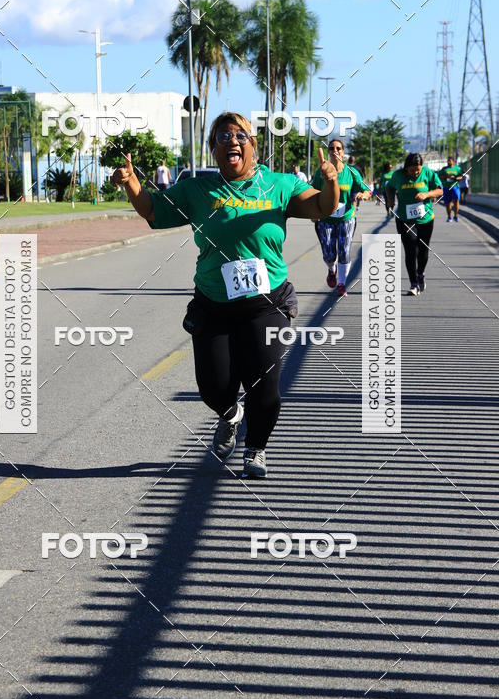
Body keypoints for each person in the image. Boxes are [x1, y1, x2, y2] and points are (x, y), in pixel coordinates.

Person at [111, 111, 340, 479]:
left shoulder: (279, 185)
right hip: (213, 304)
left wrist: (332, 182)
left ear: (253, 144)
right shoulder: (197, 190)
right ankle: (231, 415)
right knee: (214, 389)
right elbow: (152, 211)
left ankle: (256, 449)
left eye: (240, 136)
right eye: (222, 137)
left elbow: (322, 207)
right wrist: (131, 184)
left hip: (267, 304)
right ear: (213, 149)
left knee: (265, 388)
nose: (232, 141)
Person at [310, 138, 372, 298]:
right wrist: (313, 212)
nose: (335, 151)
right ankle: (332, 270)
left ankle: (342, 284)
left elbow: (367, 190)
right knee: (329, 255)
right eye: (331, 148)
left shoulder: (351, 172)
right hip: (326, 220)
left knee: (344, 251)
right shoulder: (321, 172)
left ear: (343, 152)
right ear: (329, 152)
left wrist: (362, 194)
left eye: (338, 148)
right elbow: (313, 193)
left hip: (346, 218)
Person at [386, 152, 443, 296]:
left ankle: (420, 273)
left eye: (418, 170)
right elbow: (389, 187)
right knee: (410, 250)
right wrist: (391, 199)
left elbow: (440, 190)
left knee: (423, 250)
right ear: (406, 168)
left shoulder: (428, 173)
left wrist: (427, 194)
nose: (415, 173)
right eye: (412, 170)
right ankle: (413, 283)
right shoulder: (398, 175)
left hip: (425, 219)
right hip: (405, 219)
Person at [439, 156, 463, 222]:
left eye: (450, 160)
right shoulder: (444, 169)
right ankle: (449, 217)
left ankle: (455, 216)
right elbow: (439, 176)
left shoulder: (457, 168)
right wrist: (446, 177)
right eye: (448, 160)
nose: (448, 162)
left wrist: (455, 178)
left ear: (453, 161)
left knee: (456, 201)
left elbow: (461, 176)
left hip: (455, 187)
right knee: (448, 203)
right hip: (446, 187)